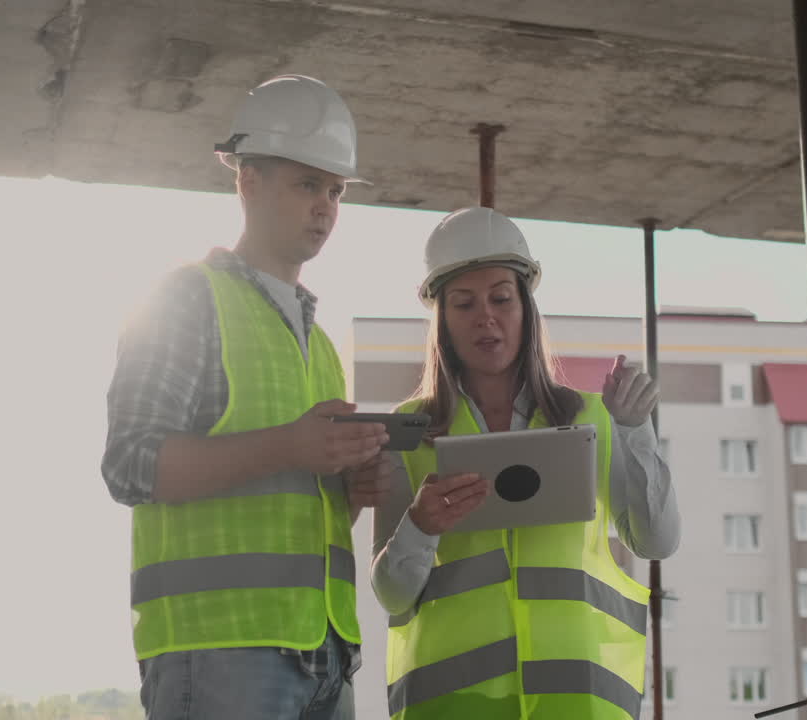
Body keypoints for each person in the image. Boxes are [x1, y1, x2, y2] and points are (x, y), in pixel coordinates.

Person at [100, 75, 392, 720]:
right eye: (308, 184)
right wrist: (291, 446)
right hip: (218, 652)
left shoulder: (319, 344)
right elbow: (129, 464)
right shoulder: (186, 298)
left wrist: (349, 490)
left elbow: (295, 507)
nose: (326, 207)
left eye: (336, 191)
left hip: (324, 653)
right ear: (248, 181)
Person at [366, 206, 681, 720]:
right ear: (442, 321)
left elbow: (657, 542)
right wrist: (420, 526)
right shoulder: (408, 430)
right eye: (463, 303)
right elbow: (392, 595)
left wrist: (635, 431)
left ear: (526, 309)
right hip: (454, 705)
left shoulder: (593, 419)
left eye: (501, 298)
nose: (485, 316)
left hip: (575, 702)